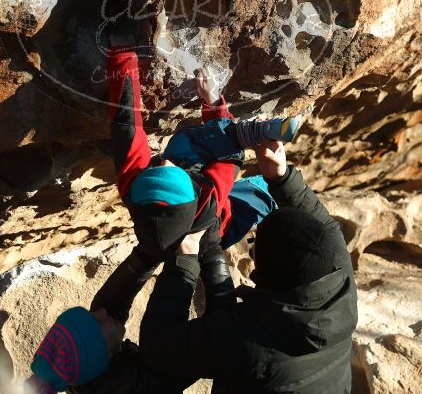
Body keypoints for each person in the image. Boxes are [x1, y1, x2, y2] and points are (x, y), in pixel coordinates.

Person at [25, 19, 299, 393]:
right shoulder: (158, 373)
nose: (100, 310)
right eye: (98, 321)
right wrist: (214, 105)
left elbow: (126, 125)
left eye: (160, 163)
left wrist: (122, 54)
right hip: (214, 230)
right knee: (262, 194)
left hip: (179, 223)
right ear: (104, 356)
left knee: (184, 151)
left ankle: (232, 138)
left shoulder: (136, 181)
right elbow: (215, 337)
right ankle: (245, 145)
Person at [139, 139, 359, 393]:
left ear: (262, 274)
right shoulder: (339, 283)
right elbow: (329, 229)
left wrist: (184, 262)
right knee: (263, 194)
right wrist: (281, 176)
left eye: (255, 247)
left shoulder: (251, 343)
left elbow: (158, 349)